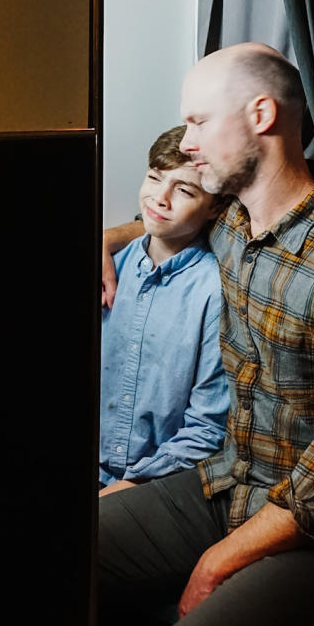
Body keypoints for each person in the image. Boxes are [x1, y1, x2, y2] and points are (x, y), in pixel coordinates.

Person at [97, 43, 314, 626]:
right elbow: (162, 218)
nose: (185, 142)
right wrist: (113, 238)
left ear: (261, 115)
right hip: (225, 485)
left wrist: (218, 561)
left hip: (310, 535)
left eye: (197, 121)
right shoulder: (234, 226)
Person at [99, 125, 228, 494]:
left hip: (155, 482)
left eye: (184, 190)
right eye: (155, 178)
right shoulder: (111, 267)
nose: (160, 198)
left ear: (215, 205)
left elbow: (207, 428)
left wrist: (125, 487)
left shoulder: (212, 291)